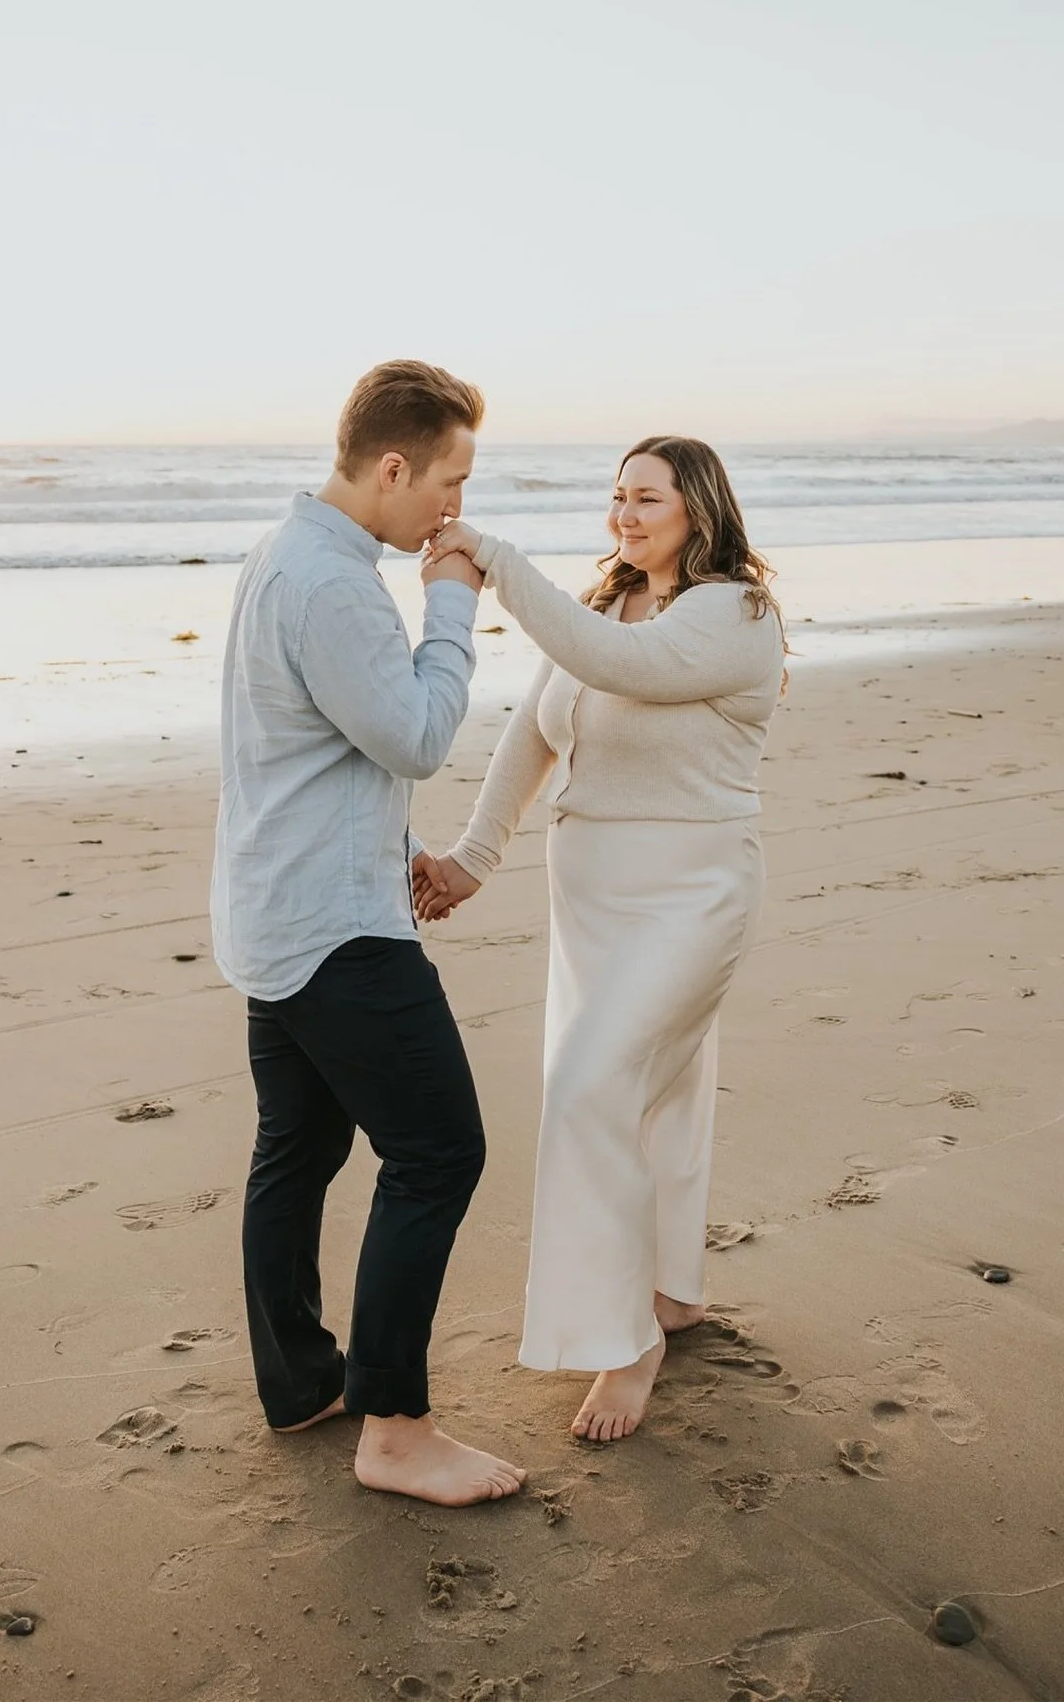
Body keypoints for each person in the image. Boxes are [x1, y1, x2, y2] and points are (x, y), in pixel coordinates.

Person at [416, 436, 785, 1443]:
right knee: (658, 1090)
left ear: (699, 508)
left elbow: (618, 668)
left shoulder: (736, 614)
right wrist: (471, 858)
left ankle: (631, 1344)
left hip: (692, 891)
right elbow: (535, 729)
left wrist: (488, 556)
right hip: (591, 900)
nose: (625, 514)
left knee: (590, 1088)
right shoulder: (601, 604)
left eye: (648, 497)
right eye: (617, 496)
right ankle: (672, 1288)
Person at [211, 360, 526, 1506]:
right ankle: (393, 1424)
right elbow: (415, 736)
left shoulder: (282, 554)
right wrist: (453, 599)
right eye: (448, 482)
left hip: (275, 908)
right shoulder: (336, 583)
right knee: (441, 1151)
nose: (455, 508)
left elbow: (300, 750)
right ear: (392, 467)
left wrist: (385, 850)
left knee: (298, 1147)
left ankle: (301, 1380)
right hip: (334, 933)